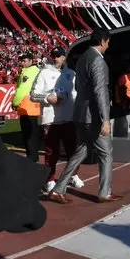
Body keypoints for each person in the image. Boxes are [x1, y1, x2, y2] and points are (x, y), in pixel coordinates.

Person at [48, 28, 122, 204]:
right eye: (108, 42)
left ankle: (58, 189)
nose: (108, 46)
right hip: (93, 116)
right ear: (103, 41)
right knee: (106, 153)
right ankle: (105, 192)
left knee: (81, 151)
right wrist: (105, 119)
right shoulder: (98, 61)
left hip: (80, 113)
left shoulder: (82, 58)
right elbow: (100, 91)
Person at [29, 47, 84, 193]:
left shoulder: (71, 74)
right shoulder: (44, 73)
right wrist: (48, 98)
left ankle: (73, 174)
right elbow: (33, 94)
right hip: (50, 120)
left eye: (59, 55)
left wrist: (69, 99)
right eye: (54, 55)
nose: (56, 58)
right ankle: (50, 179)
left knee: (73, 150)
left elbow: (75, 94)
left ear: (64, 57)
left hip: (68, 118)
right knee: (51, 152)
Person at [13, 54, 41, 163]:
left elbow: (22, 90)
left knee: (28, 135)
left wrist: (15, 102)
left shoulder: (29, 72)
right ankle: (34, 157)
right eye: (22, 61)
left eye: (24, 61)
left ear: (31, 61)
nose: (22, 63)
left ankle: (32, 158)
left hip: (27, 108)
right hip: (32, 107)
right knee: (33, 134)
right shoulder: (34, 71)